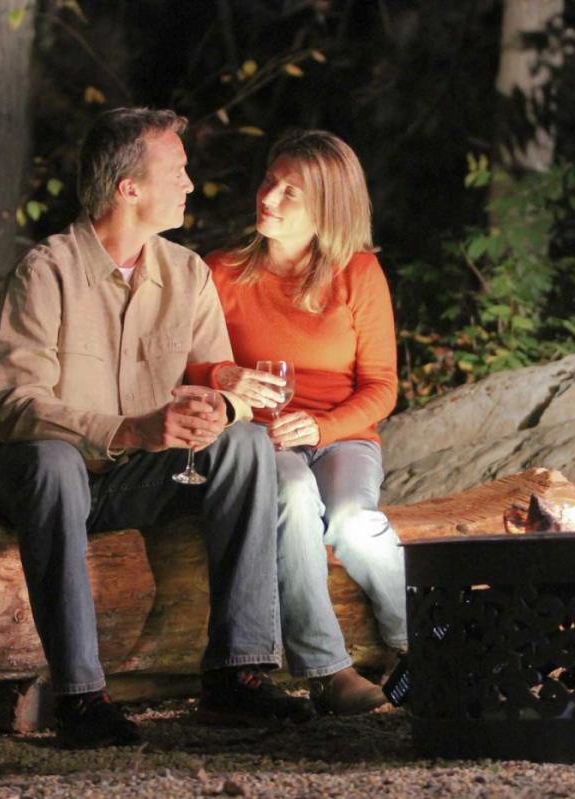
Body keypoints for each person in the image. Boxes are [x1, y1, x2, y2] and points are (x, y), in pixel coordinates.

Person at [0, 107, 315, 749]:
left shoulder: (186, 274)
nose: (189, 183)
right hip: (34, 477)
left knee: (244, 446)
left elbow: (217, 381)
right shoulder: (48, 271)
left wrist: (218, 411)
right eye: (176, 171)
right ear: (129, 189)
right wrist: (131, 429)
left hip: (134, 477)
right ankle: (81, 697)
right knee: (55, 463)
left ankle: (238, 675)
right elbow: (18, 404)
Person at [186, 130, 404, 716]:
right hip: (258, 437)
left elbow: (383, 387)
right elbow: (184, 362)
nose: (269, 199)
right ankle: (328, 671)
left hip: (340, 433)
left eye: (291, 193)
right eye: (269, 182)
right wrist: (222, 375)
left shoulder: (357, 274)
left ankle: (422, 639)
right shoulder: (223, 272)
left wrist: (324, 428)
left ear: (328, 209)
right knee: (291, 491)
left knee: (356, 522)